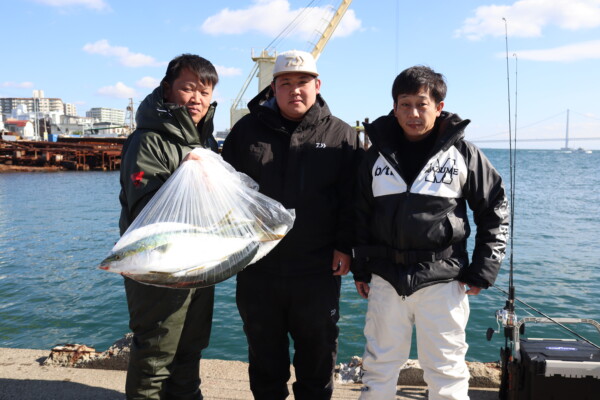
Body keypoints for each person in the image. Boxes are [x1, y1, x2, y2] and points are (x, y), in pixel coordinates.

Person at [351, 65, 509, 400]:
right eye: (404, 104)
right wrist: (361, 268)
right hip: (385, 280)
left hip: (444, 281)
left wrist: (483, 269)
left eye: (422, 104)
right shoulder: (375, 156)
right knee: (377, 369)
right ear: (394, 108)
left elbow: (495, 208)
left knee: (446, 372)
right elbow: (360, 215)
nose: (413, 113)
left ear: (439, 107)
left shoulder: (463, 154)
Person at [221, 50, 360, 400]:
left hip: (318, 269)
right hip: (256, 267)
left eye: (303, 82)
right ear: (273, 87)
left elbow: (354, 199)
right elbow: (224, 191)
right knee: (264, 357)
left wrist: (346, 246)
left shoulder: (342, 135)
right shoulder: (245, 131)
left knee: (317, 356)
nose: (294, 90)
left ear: (317, 85)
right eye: (286, 83)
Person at [118, 53, 219, 400]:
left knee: (191, 348)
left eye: (204, 92)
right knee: (155, 354)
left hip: (198, 263)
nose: (196, 99)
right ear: (167, 89)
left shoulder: (203, 141)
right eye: (187, 88)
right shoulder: (149, 140)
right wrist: (186, 176)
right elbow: (145, 207)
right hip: (157, 267)